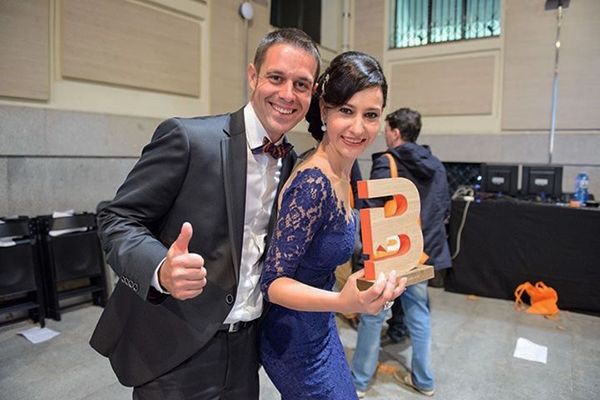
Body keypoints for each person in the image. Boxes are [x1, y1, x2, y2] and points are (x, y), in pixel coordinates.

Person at [89, 28, 322, 400]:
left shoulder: (294, 165)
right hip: (175, 348)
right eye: (276, 78)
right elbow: (116, 218)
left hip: (246, 353)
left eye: (301, 85)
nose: (287, 94)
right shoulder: (189, 139)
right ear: (253, 76)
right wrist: (159, 269)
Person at [258, 51, 407, 400]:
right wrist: (343, 301)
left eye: (370, 115)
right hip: (293, 341)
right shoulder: (313, 183)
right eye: (346, 111)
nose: (358, 128)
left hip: (321, 326)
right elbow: (272, 283)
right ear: (324, 111)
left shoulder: (348, 168)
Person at [351, 107, 452, 397]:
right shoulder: (436, 164)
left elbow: (372, 211)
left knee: (373, 315)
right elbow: (443, 208)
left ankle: (359, 382)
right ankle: (424, 381)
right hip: (420, 254)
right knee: (418, 314)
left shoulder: (387, 162)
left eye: (386, 129)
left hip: (391, 254)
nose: (384, 134)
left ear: (395, 132)